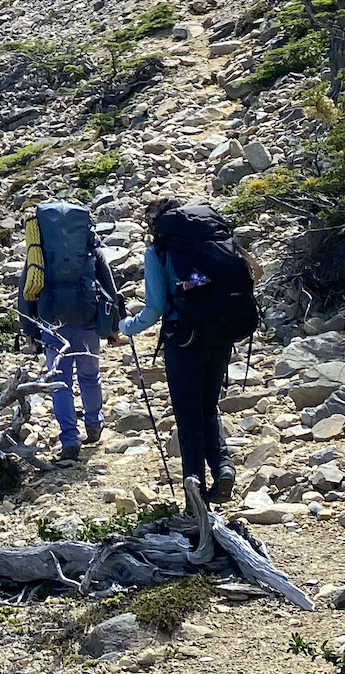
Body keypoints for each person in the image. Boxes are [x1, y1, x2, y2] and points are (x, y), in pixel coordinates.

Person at [120, 196, 260, 502]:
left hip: (183, 340)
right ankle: (223, 467)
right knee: (208, 407)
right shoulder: (218, 242)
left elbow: (156, 307)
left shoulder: (159, 251)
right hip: (222, 334)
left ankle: (194, 495)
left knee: (188, 417)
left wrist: (127, 327)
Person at [16, 200, 123, 462]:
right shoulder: (91, 252)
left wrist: (29, 327)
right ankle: (94, 422)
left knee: (60, 384)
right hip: (86, 320)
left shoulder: (38, 255)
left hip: (53, 323)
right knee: (90, 376)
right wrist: (113, 327)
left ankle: (69, 440)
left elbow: (26, 291)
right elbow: (110, 290)